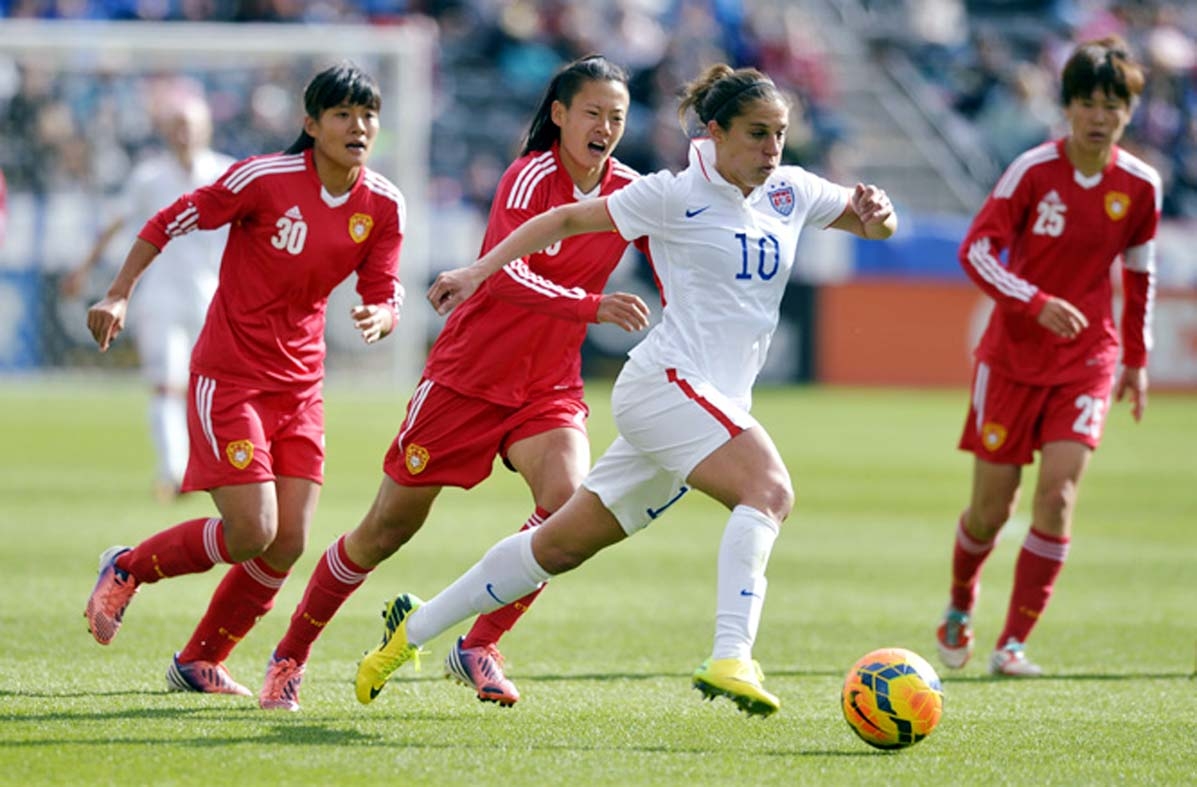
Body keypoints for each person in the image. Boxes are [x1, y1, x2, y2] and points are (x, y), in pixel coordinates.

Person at [354, 63, 897, 717]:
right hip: (668, 385)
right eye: (756, 134)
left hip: (709, 402)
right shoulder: (671, 193)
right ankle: (731, 654)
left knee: (556, 544)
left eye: (779, 134)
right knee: (768, 489)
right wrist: (478, 269)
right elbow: (559, 223)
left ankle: (405, 636)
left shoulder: (789, 191)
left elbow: (868, 224)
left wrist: (878, 216)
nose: (770, 149)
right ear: (715, 132)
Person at [258, 55, 651, 712]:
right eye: (592, 112)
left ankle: (479, 642)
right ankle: (289, 653)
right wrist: (590, 306)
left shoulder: (630, 190)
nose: (605, 126)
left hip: (547, 387)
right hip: (466, 379)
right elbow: (505, 274)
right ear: (558, 115)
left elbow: (672, 251)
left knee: (567, 505)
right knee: (384, 530)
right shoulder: (529, 179)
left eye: (616, 116)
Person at [83, 62, 406, 698]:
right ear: (311, 125)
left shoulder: (383, 204)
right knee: (250, 532)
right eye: (342, 114)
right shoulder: (264, 179)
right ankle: (127, 566)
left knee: (287, 541)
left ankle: (200, 659)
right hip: (229, 376)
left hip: (301, 386)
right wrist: (119, 293)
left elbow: (384, 285)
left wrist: (384, 313)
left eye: (367, 115)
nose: (358, 126)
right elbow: (168, 220)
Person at [934, 37, 1159, 678]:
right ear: (1067, 107)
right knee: (991, 510)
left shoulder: (1141, 186)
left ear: (1128, 112)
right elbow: (976, 250)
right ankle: (959, 601)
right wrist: (1033, 301)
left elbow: (1140, 276)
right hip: (1010, 357)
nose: (1099, 116)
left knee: (1058, 498)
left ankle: (1013, 644)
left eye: (1112, 105)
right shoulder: (1032, 171)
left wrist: (1135, 361)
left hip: (1089, 357)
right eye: (1087, 102)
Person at [61, 89, 235, 502]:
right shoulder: (149, 178)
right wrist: (85, 269)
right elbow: (116, 223)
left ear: (206, 129)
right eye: (176, 126)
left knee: (211, 387)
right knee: (165, 383)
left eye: (190, 126)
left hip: (215, 296)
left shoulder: (227, 174)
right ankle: (171, 471)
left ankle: (208, 467)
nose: (183, 135)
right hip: (159, 296)